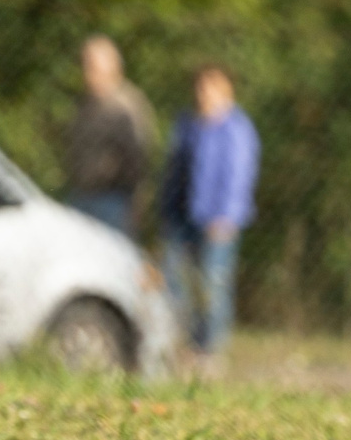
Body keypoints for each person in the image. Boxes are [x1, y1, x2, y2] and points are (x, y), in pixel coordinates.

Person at [161, 64, 259, 365]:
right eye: (201, 87)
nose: (204, 93)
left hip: (217, 220)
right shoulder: (188, 124)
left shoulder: (237, 130)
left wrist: (226, 217)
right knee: (175, 278)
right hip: (182, 215)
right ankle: (181, 341)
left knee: (213, 284)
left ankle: (210, 349)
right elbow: (173, 172)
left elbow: (239, 177)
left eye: (212, 87)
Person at [61, 36, 156, 237]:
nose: (86, 70)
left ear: (112, 66)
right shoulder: (86, 103)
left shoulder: (128, 106)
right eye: (85, 63)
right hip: (81, 194)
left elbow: (139, 158)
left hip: (113, 200)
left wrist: (136, 205)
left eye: (92, 64)